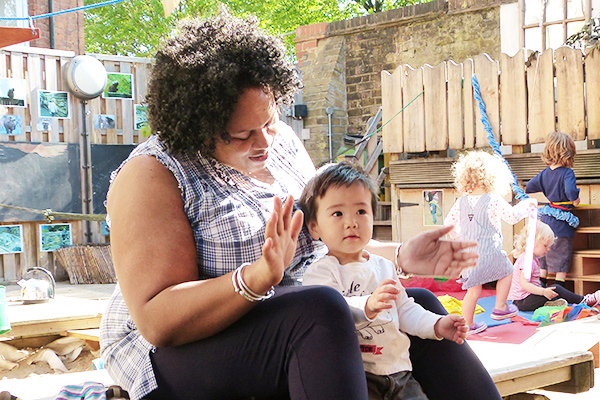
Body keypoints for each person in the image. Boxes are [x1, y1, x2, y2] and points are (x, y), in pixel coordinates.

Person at [99, 9, 500, 400]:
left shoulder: (284, 144)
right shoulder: (153, 174)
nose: (265, 142)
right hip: (178, 350)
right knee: (320, 311)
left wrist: (400, 256)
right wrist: (256, 278)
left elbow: (322, 236)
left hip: (298, 316)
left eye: (270, 121)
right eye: (242, 134)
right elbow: (158, 320)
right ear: (198, 125)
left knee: (415, 305)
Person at [300, 162, 469, 400]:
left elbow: (405, 310)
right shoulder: (321, 272)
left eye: (361, 211)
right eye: (337, 213)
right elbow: (330, 314)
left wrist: (437, 325)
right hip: (359, 375)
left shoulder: (383, 266)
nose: (351, 222)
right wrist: (368, 305)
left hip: (399, 372)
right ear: (314, 227)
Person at [444, 150, 535, 335]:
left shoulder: (460, 202)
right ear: (491, 178)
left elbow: (448, 224)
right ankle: (501, 306)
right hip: (489, 252)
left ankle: (467, 325)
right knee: (507, 271)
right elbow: (512, 216)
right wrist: (526, 207)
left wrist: (458, 235)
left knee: (473, 291)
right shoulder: (492, 200)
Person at [526, 131, 581, 287]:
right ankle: (559, 285)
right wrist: (575, 199)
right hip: (561, 220)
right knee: (562, 252)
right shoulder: (567, 173)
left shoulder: (544, 173)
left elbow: (529, 187)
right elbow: (570, 191)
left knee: (546, 250)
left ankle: (541, 283)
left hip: (547, 218)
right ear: (569, 153)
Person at [508, 221, 600, 311]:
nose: (548, 249)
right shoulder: (526, 261)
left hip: (526, 298)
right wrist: (543, 292)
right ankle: (584, 300)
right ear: (533, 242)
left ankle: (552, 303)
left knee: (549, 289)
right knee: (556, 288)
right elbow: (525, 285)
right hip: (521, 301)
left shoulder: (531, 258)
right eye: (545, 246)